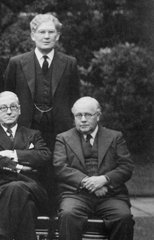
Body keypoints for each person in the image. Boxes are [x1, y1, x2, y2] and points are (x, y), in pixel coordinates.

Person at [54, 97, 134, 240]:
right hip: (76, 194)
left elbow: (126, 167)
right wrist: (89, 183)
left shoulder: (115, 137)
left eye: (88, 115)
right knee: (68, 214)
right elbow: (60, 167)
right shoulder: (63, 138)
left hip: (110, 195)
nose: (83, 119)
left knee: (123, 217)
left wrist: (104, 180)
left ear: (98, 115)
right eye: (79, 115)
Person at [0, 91, 51, 240]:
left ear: (20, 109)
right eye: (3, 108)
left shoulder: (33, 134)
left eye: (13, 107)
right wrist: (20, 166)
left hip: (31, 186)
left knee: (16, 188)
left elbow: (44, 155)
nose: (9, 111)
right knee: (27, 206)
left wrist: (13, 154)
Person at [4, 14, 80, 151]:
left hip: (60, 129)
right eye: (42, 32)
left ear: (57, 36)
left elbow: (74, 98)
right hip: (26, 127)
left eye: (51, 32)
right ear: (33, 35)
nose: (46, 36)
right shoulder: (16, 63)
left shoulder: (69, 63)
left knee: (57, 168)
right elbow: (7, 96)